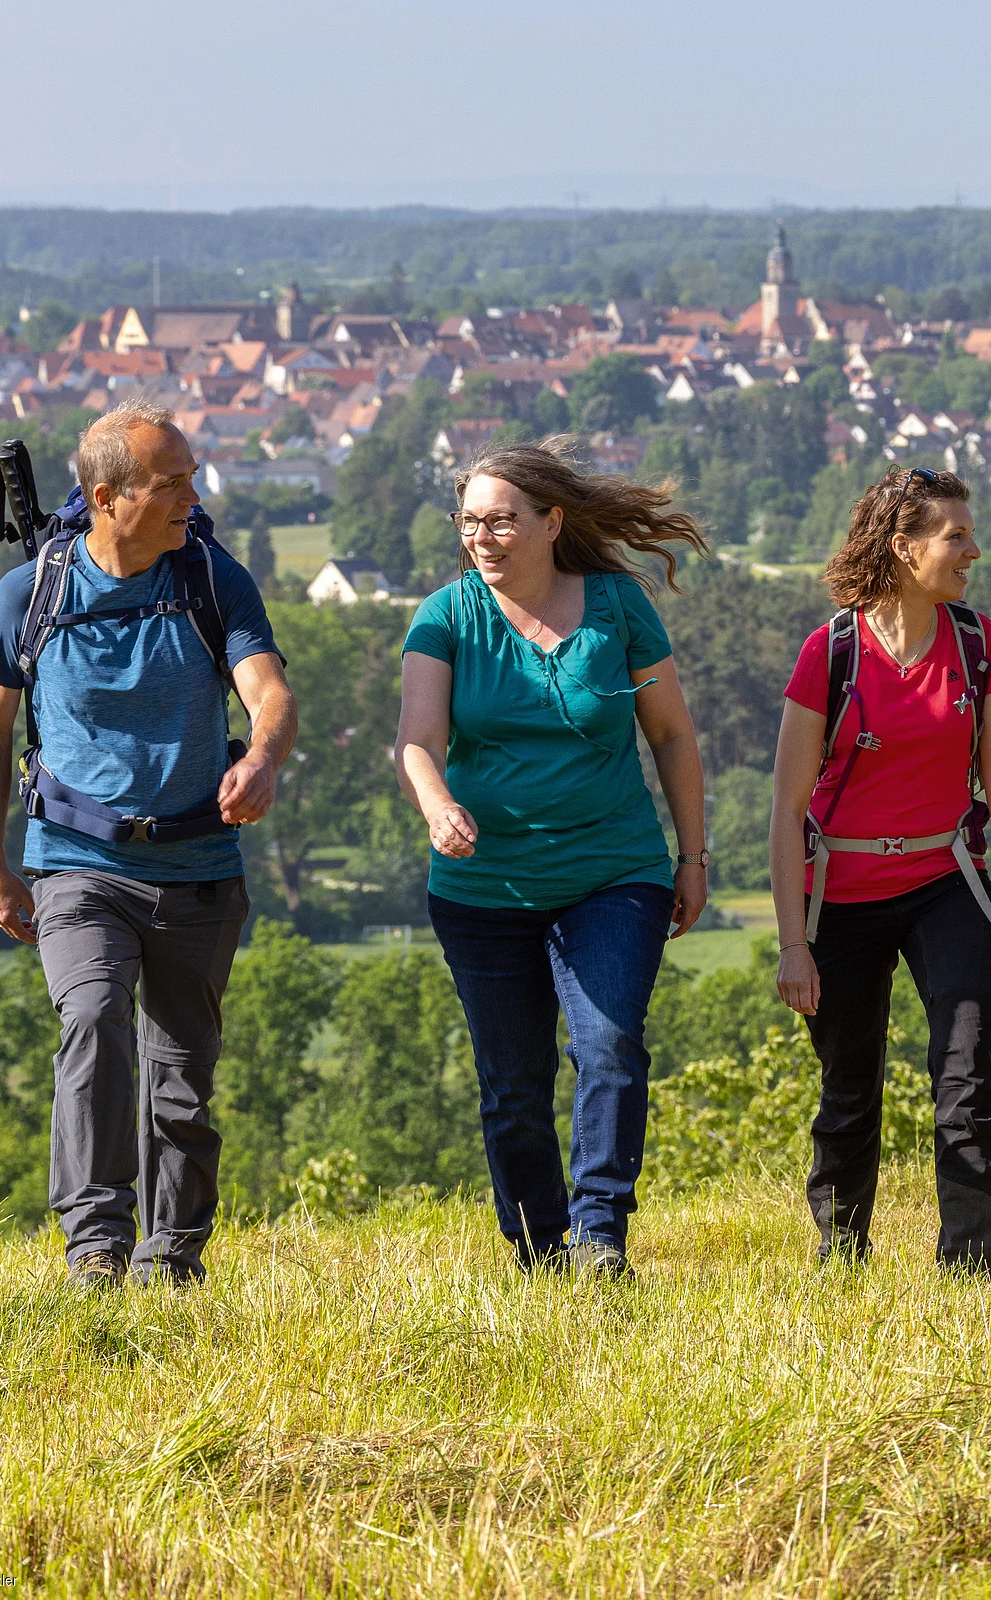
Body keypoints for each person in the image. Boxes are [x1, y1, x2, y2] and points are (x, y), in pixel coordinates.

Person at [0, 398, 297, 1289]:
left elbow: (268, 691)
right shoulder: (31, 593)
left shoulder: (213, 581)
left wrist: (263, 756)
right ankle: (96, 1244)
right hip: (78, 863)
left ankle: (171, 1258)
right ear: (108, 496)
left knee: (182, 1082)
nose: (194, 493)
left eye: (191, 476)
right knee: (92, 1015)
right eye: (172, 481)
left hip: (197, 869)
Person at [394, 440, 709, 1280]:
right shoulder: (445, 617)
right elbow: (418, 742)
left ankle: (601, 1232)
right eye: (470, 523)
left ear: (551, 522)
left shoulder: (617, 607)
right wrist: (438, 805)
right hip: (482, 885)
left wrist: (693, 857)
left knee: (608, 1046)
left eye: (501, 521)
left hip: (614, 872)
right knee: (513, 1086)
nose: (483, 538)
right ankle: (540, 1253)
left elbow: (672, 738)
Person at [769, 467, 991, 1275]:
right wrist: (793, 943)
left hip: (945, 883)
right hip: (842, 897)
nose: (972, 550)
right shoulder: (832, 652)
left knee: (967, 1071)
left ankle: (969, 1264)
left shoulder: (973, 642)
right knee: (849, 1086)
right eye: (955, 536)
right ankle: (841, 1256)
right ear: (904, 546)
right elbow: (787, 811)